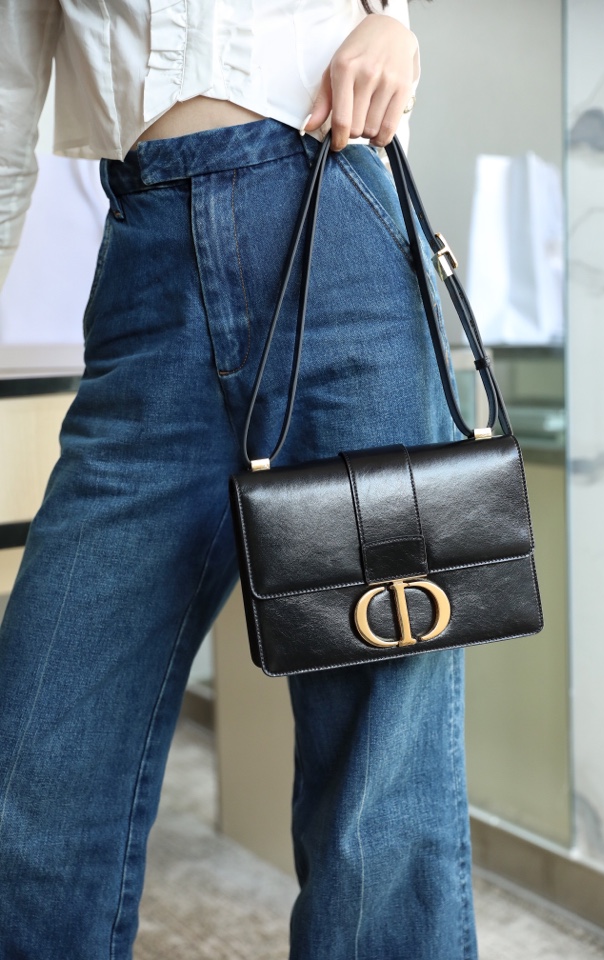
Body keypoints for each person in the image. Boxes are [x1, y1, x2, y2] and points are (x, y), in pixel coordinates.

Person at [0, 2, 478, 957]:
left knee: (380, 770)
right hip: (146, 276)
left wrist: (394, 22)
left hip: (339, 231)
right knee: (36, 763)